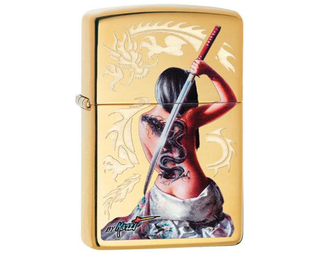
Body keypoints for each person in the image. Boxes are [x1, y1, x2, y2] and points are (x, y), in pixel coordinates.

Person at [101, 59, 237, 240]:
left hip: (161, 199)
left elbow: (154, 162)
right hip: (194, 201)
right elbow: (229, 101)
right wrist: (208, 71)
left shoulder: (144, 119)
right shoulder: (189, 117)